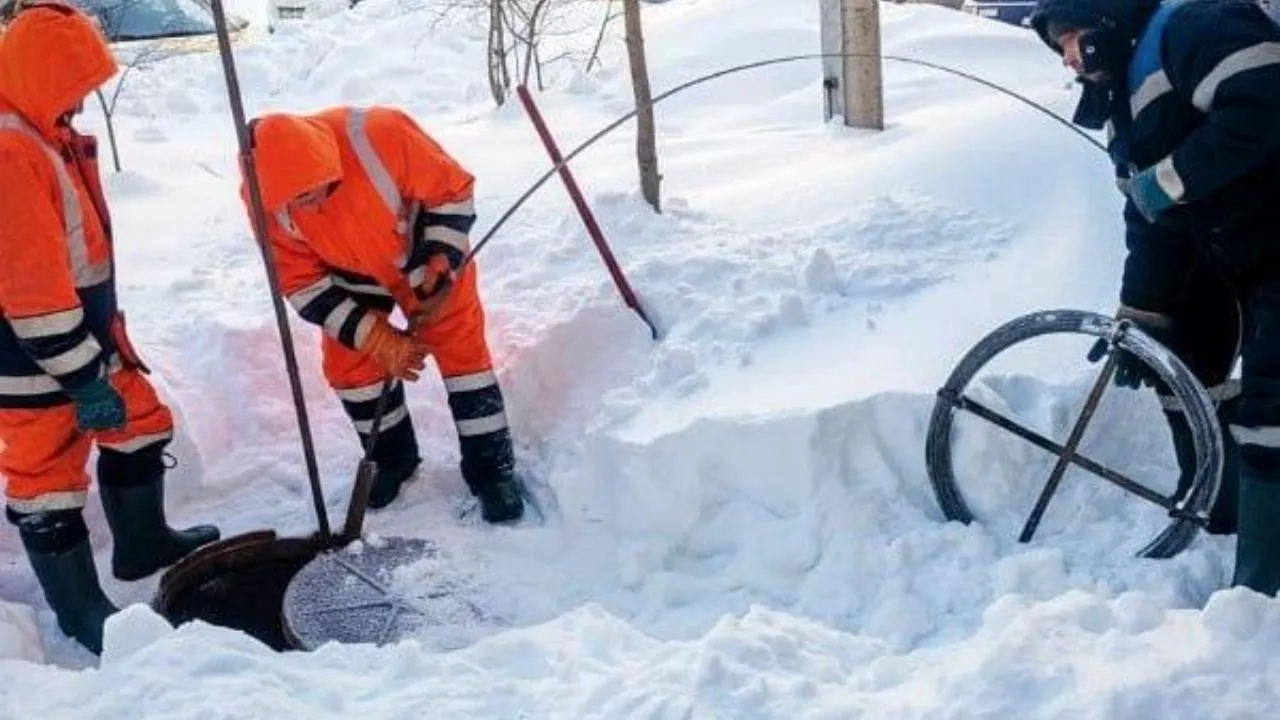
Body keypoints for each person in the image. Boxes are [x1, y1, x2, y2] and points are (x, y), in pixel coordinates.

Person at [1029, 0, 1280, 592]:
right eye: (1058, 47)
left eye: (1072, 37)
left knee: (1273, 402)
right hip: (1233, 253)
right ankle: (1219, 512)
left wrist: (1170, 179)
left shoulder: (1194, 27)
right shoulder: (1122, 108)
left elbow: (1266, 100)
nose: (1069, 58)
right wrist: (1143, 314)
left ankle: (1262, 582)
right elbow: (1151, 220)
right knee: (1185, 365)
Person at [0, 0, 221, 655]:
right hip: (27, 355)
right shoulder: (11, 153)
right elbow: (32, 291)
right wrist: (83, 379)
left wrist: (100, 360)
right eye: (77, 83)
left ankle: (142, 542)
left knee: (141, 422)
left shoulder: (44, 131)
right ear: (46, 74)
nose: (86, 98)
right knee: (46, 476)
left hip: (85, 336)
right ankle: (80, 611)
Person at [239, 105, 525, 524]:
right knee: (350, 366)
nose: (316, 200)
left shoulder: (381, 133)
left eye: (324, 185)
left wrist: (439, 259)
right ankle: (393, 458)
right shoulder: (262, 196)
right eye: (303, 197)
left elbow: (453, 190)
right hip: (346, 273)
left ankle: (491, 470)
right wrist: (374, 337)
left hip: (421, 255)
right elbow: (300, 282)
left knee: (462, 351)